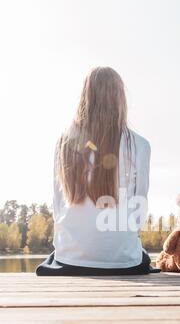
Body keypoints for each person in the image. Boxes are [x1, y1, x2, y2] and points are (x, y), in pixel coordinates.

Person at [36, 67, 159, 276]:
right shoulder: (140, 145)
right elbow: (140, 209)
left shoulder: (64, 143)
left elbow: (58, 206)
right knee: (142, 255)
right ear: (120, 99)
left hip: (69, 258)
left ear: (85, 98)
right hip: (123, 261)